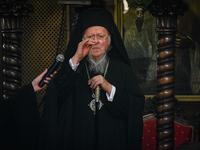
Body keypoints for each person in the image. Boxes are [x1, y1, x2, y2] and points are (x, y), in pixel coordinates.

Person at [1, 7, 145, 150]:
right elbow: (56, 97)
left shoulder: (123, 70)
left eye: (101, 36)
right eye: (90, 37)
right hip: (76, 141)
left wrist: (109, 89)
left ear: (110, 40)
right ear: (82, 40)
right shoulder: (72, 68)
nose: (95, 41)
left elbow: (135, 107)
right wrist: (76, 58)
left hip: (112, 141)